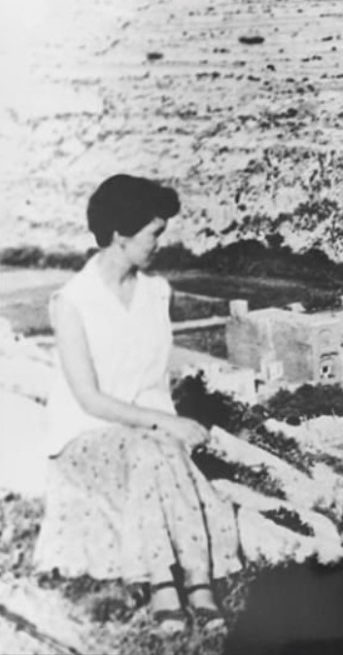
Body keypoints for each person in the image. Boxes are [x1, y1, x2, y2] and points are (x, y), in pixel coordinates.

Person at [32, 174, 241, 634]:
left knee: (159, 451)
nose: (159, 244)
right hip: (85, 436)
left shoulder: (156, 293)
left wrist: (165, 425)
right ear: (118, 236)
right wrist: (161, 423)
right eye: (154, 233)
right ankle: (173, 587)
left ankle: (196, 585)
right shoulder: (72, 302)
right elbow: (88, 398)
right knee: (152, 452)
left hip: (144, 433)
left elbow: (152, 382)